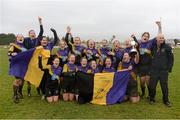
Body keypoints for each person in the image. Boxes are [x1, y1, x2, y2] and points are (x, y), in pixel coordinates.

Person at [147, 21, 174, 107]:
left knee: (164, 87)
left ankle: (166, 100)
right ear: (157, 39)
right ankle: (152, 99)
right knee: (152, 86)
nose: (161, 39)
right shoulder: (153, 46)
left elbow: (171, 59)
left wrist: (168, 69)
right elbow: (145, 50)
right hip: (154, 70)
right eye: (160, 38)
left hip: (163, 71)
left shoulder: (167, 47)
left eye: (162, 38)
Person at [23, 16, 44, 96]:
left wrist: (40, 22)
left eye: (34, 32)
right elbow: (20, 44)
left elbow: (41, 31)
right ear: (29, 34)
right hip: (28, 60)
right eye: (31, 33)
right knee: (29, 75)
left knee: (36, 74)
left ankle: (38, 89)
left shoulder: (37, 40)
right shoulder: (26, 40)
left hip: (36, 60)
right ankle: (28, 90)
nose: (33, 34)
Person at [8, 34, 27, 103]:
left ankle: (20, 92)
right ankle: (15, 95)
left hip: (23, 65)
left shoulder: (24, 46)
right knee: (17, 79)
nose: (20, 38)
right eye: (19, 37)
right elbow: (8, 53)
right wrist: (12, 54)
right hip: (17, 65)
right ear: (16, 38)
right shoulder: (14, 45)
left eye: (22, 37)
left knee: (22, 79)